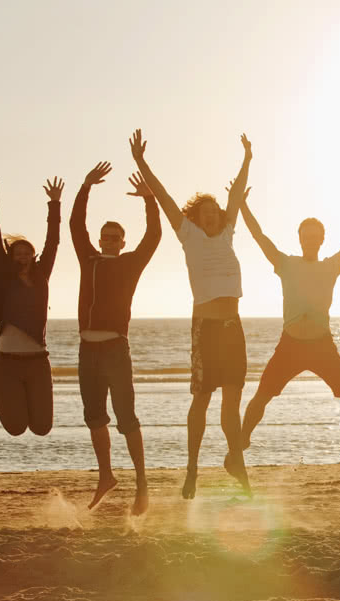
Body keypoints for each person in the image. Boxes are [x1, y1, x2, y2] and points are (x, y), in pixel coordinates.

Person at [236, 186, 340, 473]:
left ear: (322, 240)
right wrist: (242, 206)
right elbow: (259, 236)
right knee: (261, 395)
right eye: (306, 236)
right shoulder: (285, 263)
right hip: (290, 345)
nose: (310, 241)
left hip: (322, 346)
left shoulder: (332, 265)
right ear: (299, 239)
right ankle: (241, 443)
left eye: (315, 237)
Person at [129, 129, 252, 499]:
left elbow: (234, 195)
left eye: (216, 211)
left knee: (232, 401)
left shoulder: (228, 232)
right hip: (207, 329)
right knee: (202, 399)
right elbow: (165, 197)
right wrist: (141, 161)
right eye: (206, 211)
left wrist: (247, 159)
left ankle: (238, 466)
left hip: (234, 327)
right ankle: (193, 470)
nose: (213, 215)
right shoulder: (188, 235)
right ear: (196, 217)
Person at [69, 158, 161, 515]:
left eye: (114, 238)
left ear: (122, 243)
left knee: (126, 417)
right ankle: (106, 475)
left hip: (115, 349)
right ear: (99, 240)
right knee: (94, 416)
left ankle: (141, 483)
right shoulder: (88, 259)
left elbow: (154, 237)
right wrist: (85, 187)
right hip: (87, 351)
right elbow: (76, 225)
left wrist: (149, 200)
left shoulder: (130, 263)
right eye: (104, 237)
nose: (108, 242)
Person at [0, 176, 63, 437]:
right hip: (7, 362)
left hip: (38, 362)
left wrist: (54, 204)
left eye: (27, 252)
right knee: (15, 428)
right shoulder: (4, 277)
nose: (23, 256)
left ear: (33, 257)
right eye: (18, 252)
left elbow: (53, 242)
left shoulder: (42, 275)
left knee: (42, 428)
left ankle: (3, 392)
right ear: (11, 257)